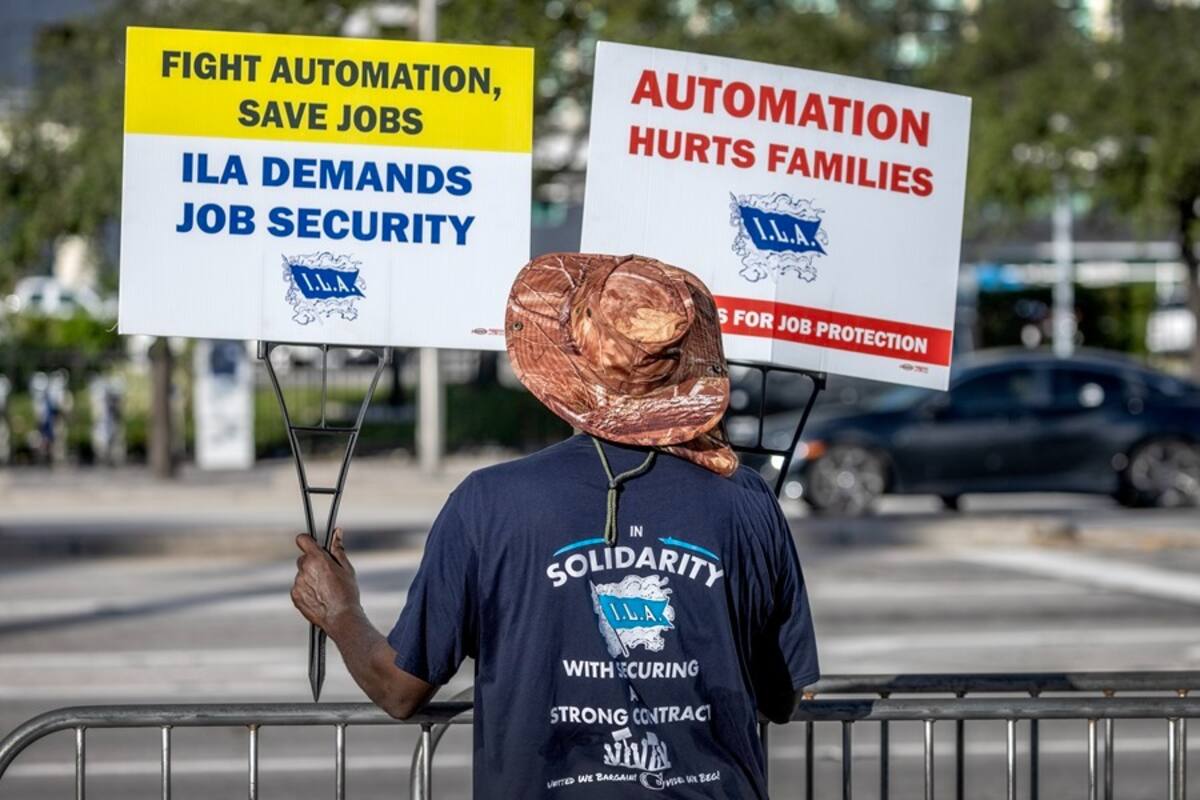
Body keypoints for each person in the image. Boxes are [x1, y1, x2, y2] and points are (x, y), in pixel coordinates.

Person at [291, 253, 819, 798]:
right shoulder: (746, 499)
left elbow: (399, 688)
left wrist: (340, 611)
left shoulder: (489, 503)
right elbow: (780, 697)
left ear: (570, 367)